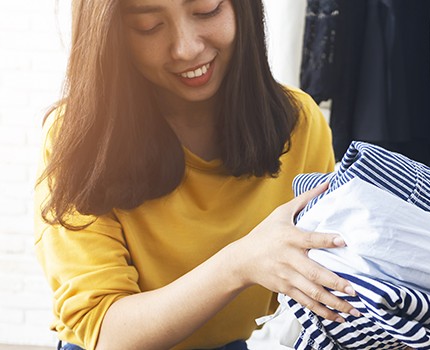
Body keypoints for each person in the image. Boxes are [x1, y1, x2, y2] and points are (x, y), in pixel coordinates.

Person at [33, 0, 361, 349]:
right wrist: (239, 263)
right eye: (149, 26)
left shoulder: (299, 123)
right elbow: (105, 330)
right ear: (113, 36)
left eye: (207, 10)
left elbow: (326, 272)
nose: (186, 49)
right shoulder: (82, 138)